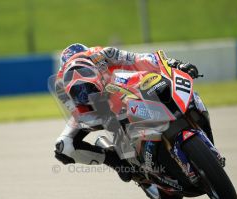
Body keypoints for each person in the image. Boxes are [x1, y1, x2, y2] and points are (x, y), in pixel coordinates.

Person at [53, 43, 201, 182]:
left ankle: (185, 114)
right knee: (62, 147)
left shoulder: (103, 54)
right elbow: (80, 115)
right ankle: (115, 161)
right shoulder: (59, 85)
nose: (76, 74)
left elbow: (140, 58)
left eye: (82, 68)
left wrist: (175, 64)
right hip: (89, 110)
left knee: (156, 83)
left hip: (117, 89)